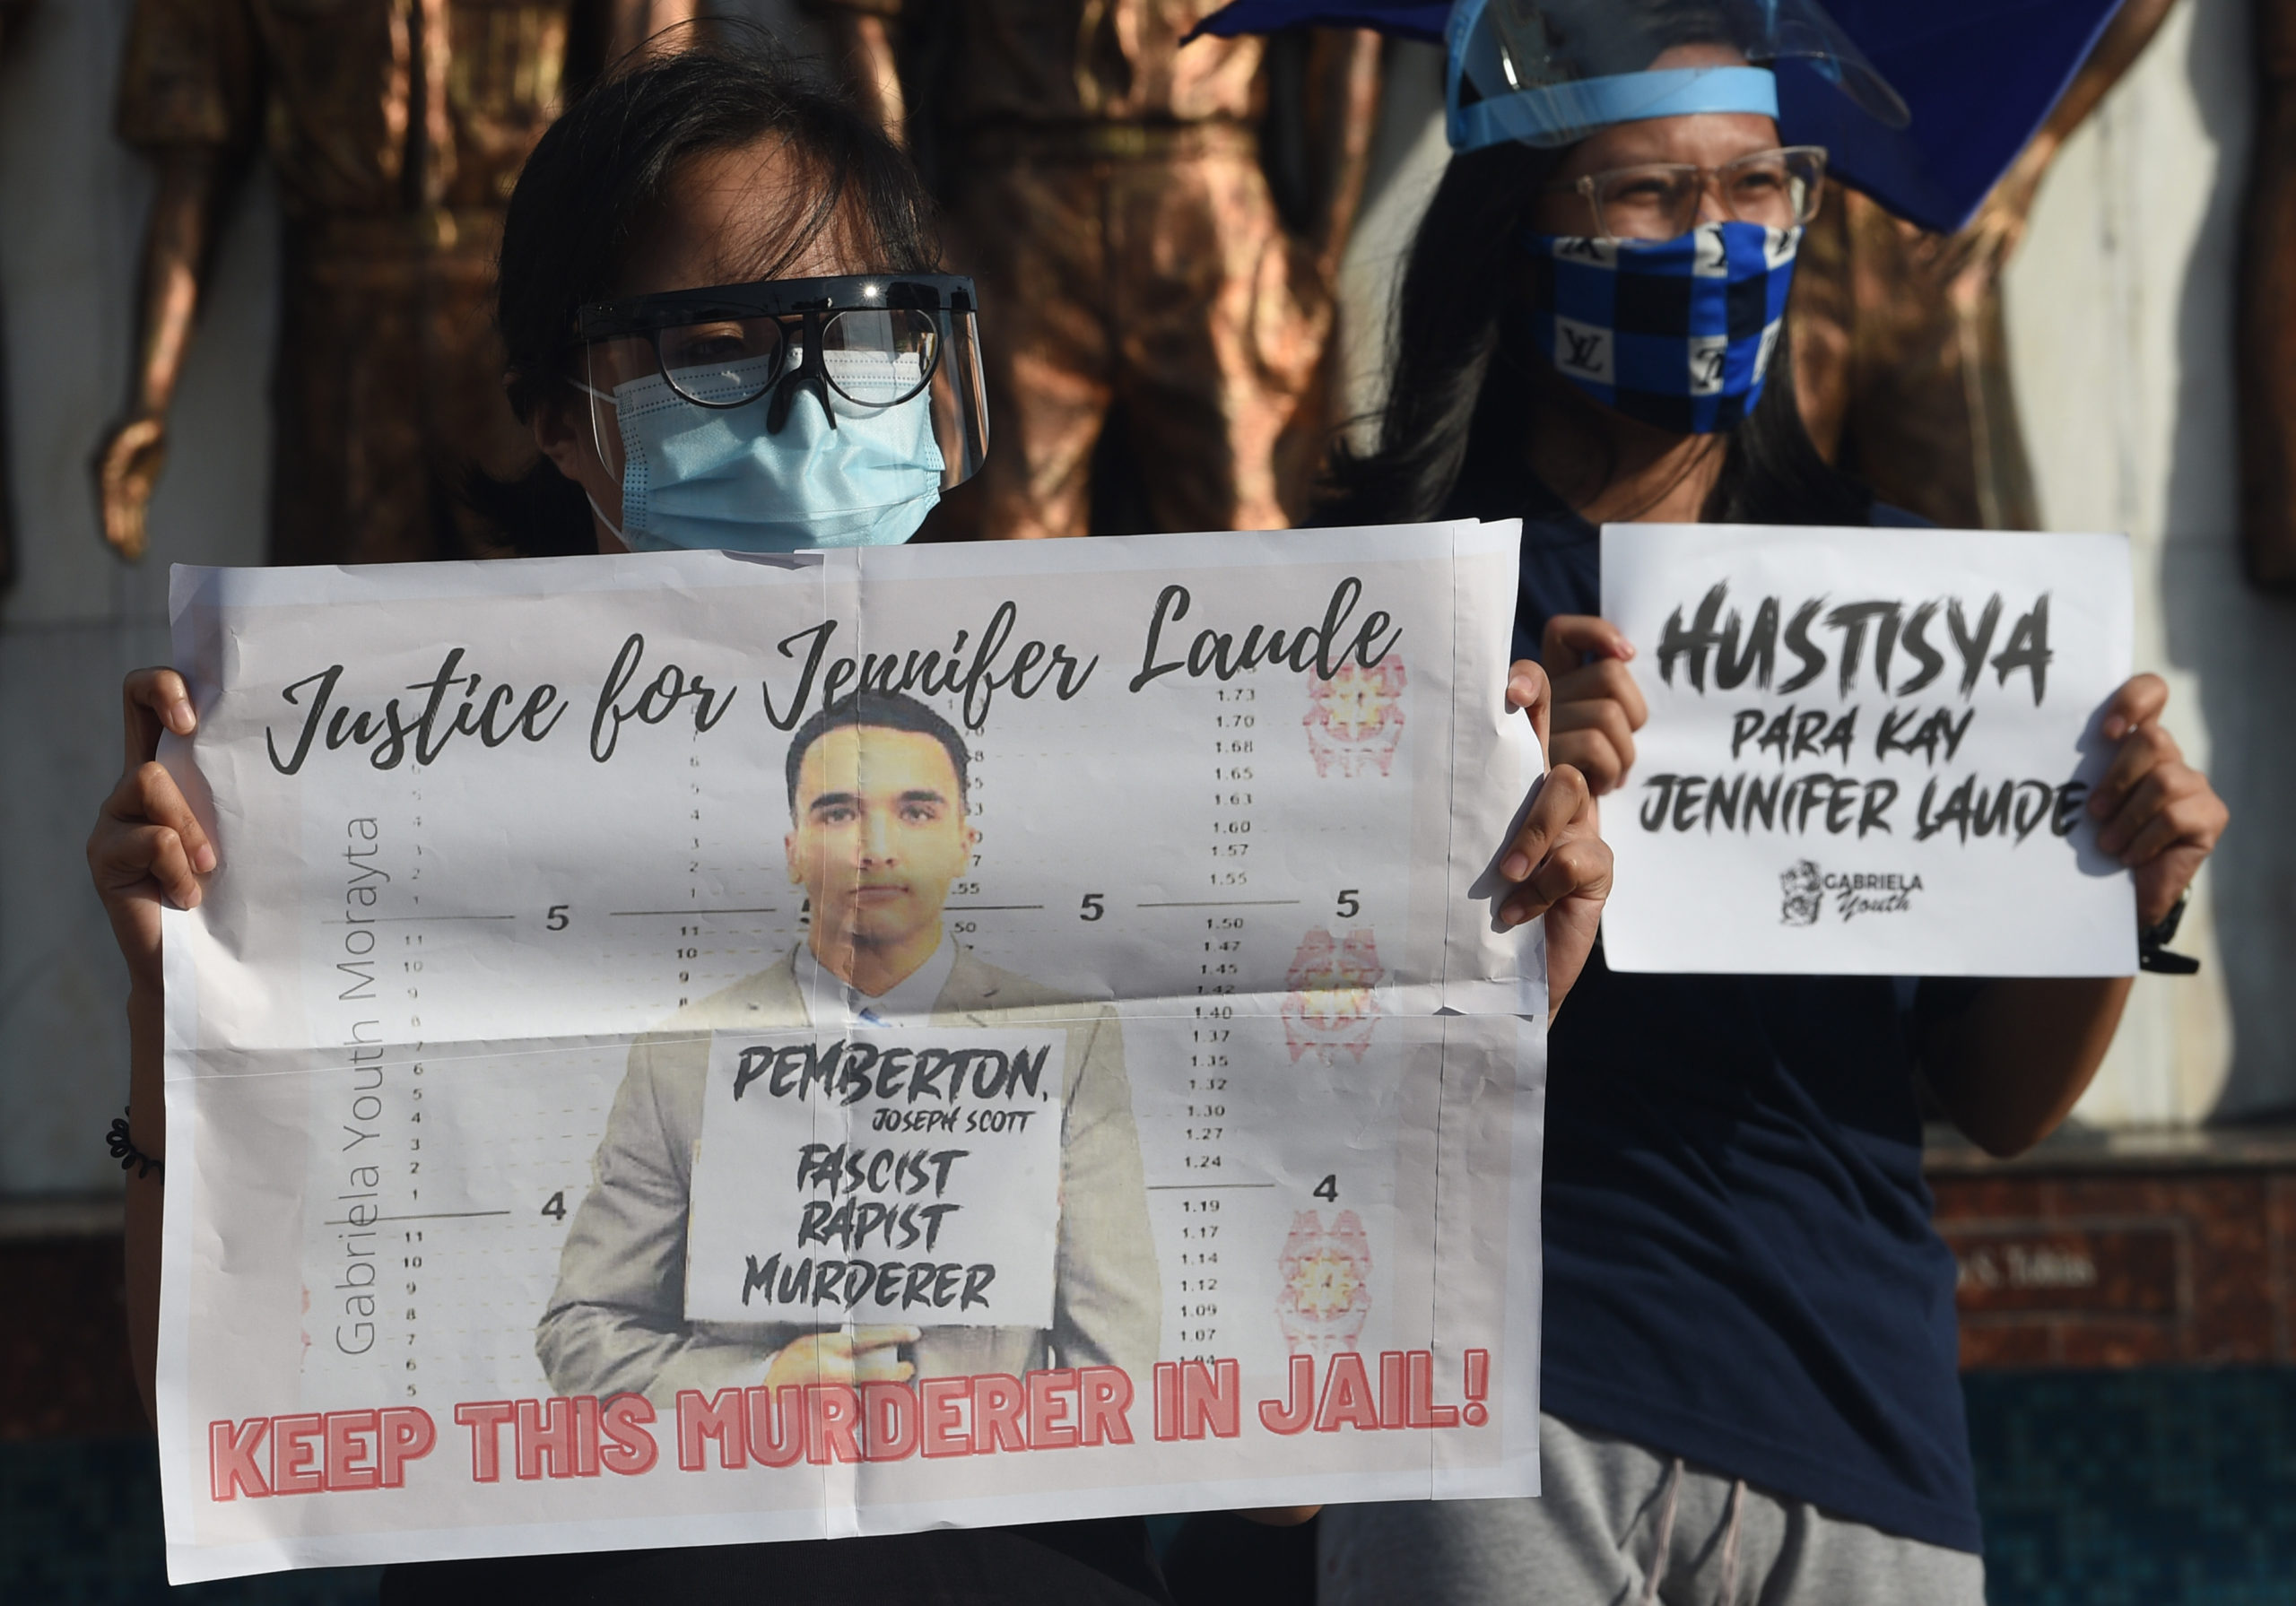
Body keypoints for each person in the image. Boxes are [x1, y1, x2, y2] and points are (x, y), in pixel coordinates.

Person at [86, 39, 1614, 1606]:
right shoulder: (390, 809)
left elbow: (1288, 1463)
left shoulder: (1098, 942)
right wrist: (175, 1008)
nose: (807, 395)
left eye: (861, 332)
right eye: (714, 347)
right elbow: (248, 1418)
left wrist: (1479, 1005)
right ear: (556, 412)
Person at [1299, 4, 2231, 1603]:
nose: (1718, 239)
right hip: (1496, 1412)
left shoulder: (1914, 600)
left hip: (1861, 1432)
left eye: (1755, 186)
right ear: (1515, 228)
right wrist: (1489, 807)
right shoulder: (1369, 612)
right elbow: (1280, 1056)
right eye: (1649, 194)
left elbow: (1998, 1100)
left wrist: (2123, 892)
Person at [539, 689, 1161, 1404]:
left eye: (917, 811)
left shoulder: (1069, 1040)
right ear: (794, 851)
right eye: (839, 813)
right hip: (765, 1473)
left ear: (965, 843)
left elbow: (1114, 1361)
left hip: (989, 1475)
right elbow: (582, 1330)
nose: (877, 848)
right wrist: (759, 1386)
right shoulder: (681, 1055)